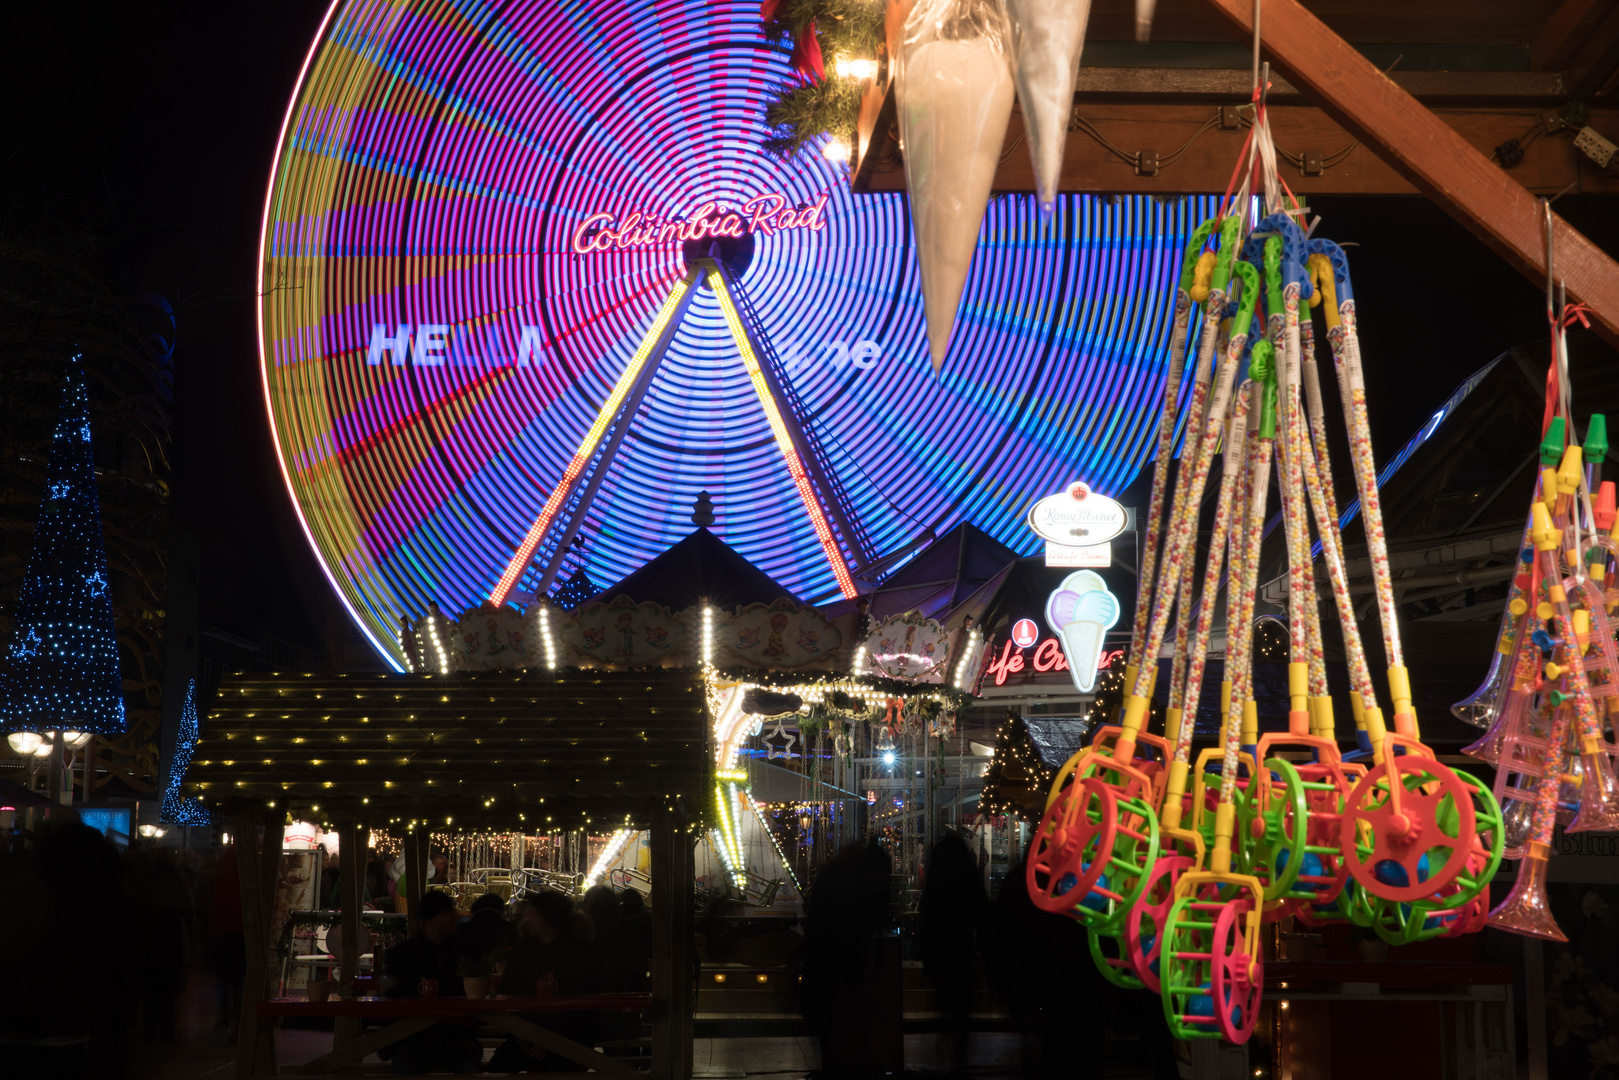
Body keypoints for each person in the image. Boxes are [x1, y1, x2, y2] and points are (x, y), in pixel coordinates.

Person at [487, 892, 600, 1073]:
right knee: (498, 1068)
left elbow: (584, 1005)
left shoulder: (578, 953)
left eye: (533, 915)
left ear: (549, 917)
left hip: (569, 1040)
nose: (527, 919)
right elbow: (510, 992)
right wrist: (520, 1035)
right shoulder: (524, 951)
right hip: (526, 1036)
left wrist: (549, 1040)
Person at [382, 891, 480, 1074]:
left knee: (468, 1056)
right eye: (449, 912)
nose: (455, 916)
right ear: (434, 917)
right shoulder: (404, 954)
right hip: (414, 1037)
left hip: (453, 1036)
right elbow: (392, 999)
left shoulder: (461, 951)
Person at [916, 833, 987, 1074]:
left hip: (940, 949)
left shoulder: (936, 885)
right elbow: (982, 913)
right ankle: (959, 1049)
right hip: (961, 948)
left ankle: (947, 1041)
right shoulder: (968, 880)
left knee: (946, 994)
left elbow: (927, 921)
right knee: (959, 998)